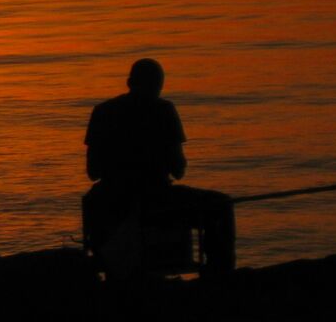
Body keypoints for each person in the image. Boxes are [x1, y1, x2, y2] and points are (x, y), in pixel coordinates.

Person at [83, 58, 235, 274]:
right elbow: (178, 170)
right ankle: (220, 274)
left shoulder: (102, 111)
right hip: (156, 199)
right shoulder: (164, 110)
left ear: (129, 82)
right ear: (158, 85)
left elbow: (92, 172)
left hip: (112, 200)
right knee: (221, 204)